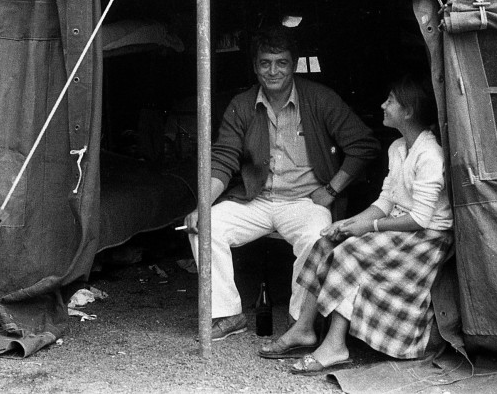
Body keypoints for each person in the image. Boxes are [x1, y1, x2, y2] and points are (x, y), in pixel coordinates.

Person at [185, 25, 380, 341]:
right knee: (204, 226)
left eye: (281, 62)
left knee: (317, 237)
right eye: (265, 63)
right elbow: (223, 161)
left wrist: (331, 190)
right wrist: (201, 206)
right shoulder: (242, 104)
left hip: (305, 201)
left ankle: (299, 322)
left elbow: (363, 145)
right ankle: (226, 314)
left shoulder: (320, 98)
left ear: (294, 63)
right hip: (256, 199)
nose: (272, 71)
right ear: (255, 66)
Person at [258, 74, 453, 375]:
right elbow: (386, 200)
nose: (383, 105)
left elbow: (420, 219)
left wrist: (369, 228)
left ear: (409, 111)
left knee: (349, 253)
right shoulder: (399, 147)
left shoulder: (430, 154)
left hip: (426, 238)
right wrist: (350, 222)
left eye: (391, 101)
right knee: (328, 241)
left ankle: (336, 344)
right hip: (398, 226)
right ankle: (304, 328)